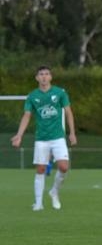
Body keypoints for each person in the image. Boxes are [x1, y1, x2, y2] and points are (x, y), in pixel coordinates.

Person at [11, 66, 77, 210]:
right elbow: (27, 115)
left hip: (58, 137)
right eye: (41, 74)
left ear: (51, 77)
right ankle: (39, 203)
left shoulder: (60, 93)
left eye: (47, 74)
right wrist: (19, 135)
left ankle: (54, 192)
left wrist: (72, 133)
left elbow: (68, 113)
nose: (44, 77)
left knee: (64, 167)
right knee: (40, 169)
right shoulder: (32, 96)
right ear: (37, 78)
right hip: (41, 138)